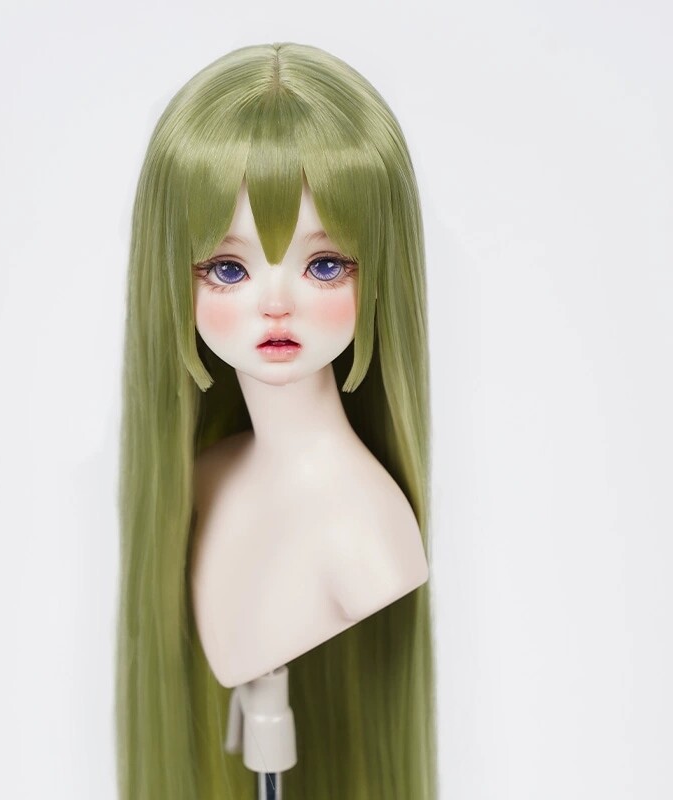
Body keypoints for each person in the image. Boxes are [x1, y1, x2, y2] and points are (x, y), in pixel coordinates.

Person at [117, 42, 437, 799]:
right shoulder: (204, 477)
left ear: (379, 270)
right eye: (228, 268)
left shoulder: (369, 536)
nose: (275, 304)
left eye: (324, 265)